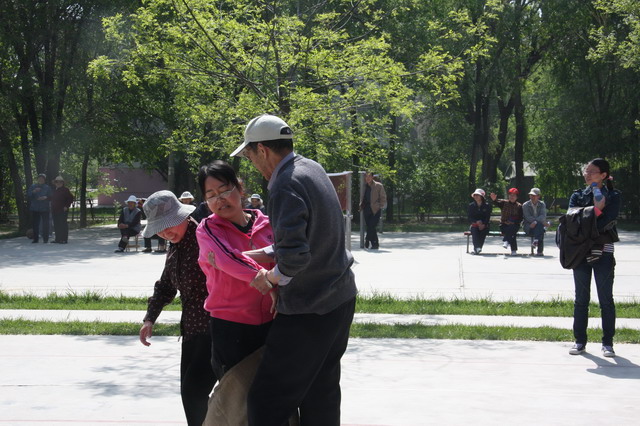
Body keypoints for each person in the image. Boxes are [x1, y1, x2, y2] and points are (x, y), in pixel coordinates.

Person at [232, 114, 357, 426]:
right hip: (340, 299)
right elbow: (314, 235)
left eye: (249, 155)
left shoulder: (284, 184)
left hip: (309, 309)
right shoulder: (311, 168)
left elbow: (295, 258)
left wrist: (270, 278)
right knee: (320, 393)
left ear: (263, 150)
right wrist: (266, 252)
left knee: (265, 401)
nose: (252, 163)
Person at [138, 190, 216, 426]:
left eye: (169, 225)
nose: (165, 232)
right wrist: (150, 318)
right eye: (159, 229)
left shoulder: (205, 237)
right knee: (189, 394)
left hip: (216, 328)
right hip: (192, 330)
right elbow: (166, 285)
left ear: (183, 217)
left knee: (195, 392)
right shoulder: (175, 245)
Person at [195, 161, 276, 380]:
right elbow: (226, 259)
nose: (219, 199)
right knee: (236, 396)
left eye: (224, 190)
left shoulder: (269, 224)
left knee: (273, 393)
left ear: (239, 188)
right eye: (211, 195)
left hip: (274, 321)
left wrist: (236, 258)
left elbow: (288, 257)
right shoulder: (208, 229)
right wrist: (268, 281)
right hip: (231, 326)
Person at [567, 158, 621, 358]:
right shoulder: (577, 195)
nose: (587, 175)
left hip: (603, 252)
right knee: (581, 299)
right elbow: (572, 221)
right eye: (586, 171)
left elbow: (607, 222)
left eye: (592, 172)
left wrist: (588, 217)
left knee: (606, 299)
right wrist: (596, 210)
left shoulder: (613, 195)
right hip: (581, 253)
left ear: (603, 175)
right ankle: (580, 341)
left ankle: (608, 343)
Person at [490, 188, 523, 256]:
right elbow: (497, 202)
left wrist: (513, 222)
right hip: (504, 224)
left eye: (514, 195)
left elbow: (521, 218)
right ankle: (513, 250)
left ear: (516, 197)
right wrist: (494, 200)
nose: (512, 197)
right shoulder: (504, 203)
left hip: (514, 225)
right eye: (510, 195)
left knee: (512, 229)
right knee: (512, 233)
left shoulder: (519, 206)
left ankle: (506, 240)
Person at [359, 172, 387, 249]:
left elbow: (383, 197)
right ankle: (375, 244)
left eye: (369, 176)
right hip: (366, 208)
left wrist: (380, 206)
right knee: (370, 227)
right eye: (366, 176)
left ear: (372, 177)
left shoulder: (378, 185)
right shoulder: (364, 186)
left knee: (372, 225)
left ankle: (367, 240)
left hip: (375, 209)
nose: (367, 178)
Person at [27, 173, 52, 243]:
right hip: (35, 208)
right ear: (37, 179)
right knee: (35, 224)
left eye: (42, 178)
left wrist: (45, 197)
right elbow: (28, 195)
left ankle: (45, 239)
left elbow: (51, 196)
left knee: (45, 224)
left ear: (44, 180)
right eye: (39, 178)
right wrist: (34, 191)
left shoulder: (47, 187)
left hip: (45, 208)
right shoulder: (33, 186)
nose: (41, 179)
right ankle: (35, 239)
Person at [522, 188, 547, 256]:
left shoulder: (542, 204)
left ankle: (536, 241)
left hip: (537, 226)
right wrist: (536, 222)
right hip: (529, 226)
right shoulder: (525, 205)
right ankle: (540, 251)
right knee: (540, 228)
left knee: (539, 227)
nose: (532, 197)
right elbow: (527, 217)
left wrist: (535, 222)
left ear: (538, 196)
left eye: (534, 195)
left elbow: (543, 216)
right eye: (531, 195)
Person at [50, 176, 74, 244]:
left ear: (62, 183)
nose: (58, 183)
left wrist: (66, 206)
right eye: (57, 182)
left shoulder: (65, 190)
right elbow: (51, 198)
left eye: (60, 182)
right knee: (56, 224)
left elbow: (70, 198)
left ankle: (64, 239)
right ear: (55, 183)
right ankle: (57, 239)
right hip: (55, 210)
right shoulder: (54, 190)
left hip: (62, 210)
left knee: (63, 224)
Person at [467, 188, 491, 255]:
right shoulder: (471, 205)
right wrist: (476, 222)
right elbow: (469, 217)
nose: (476, 196)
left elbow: (487, 217)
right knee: (474, 230)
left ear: (481, 196)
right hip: (474, 224)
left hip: (485, 225)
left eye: (477, 195)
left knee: (483, 231)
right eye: (475, 195)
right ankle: (477, 248)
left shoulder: (487, 205)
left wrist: (484, 224)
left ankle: (478, 247)